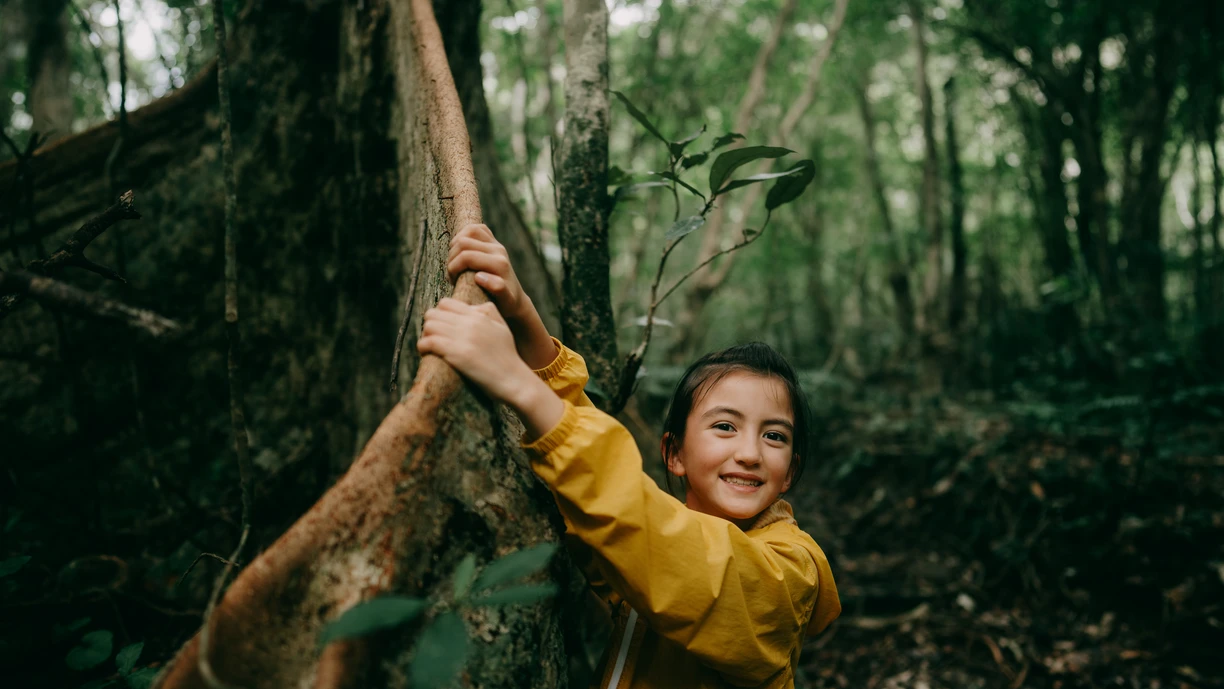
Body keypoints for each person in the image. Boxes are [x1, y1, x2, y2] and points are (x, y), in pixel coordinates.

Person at [419, 223, 841, 689]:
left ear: (790, 474)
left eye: (775, 437)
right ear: (674, 454)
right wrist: (524, 318)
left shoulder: (792, 571)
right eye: (725, 426)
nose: (750, 453)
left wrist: (516, 383)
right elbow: (618, 518)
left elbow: (687, 564)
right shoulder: (649, 545)